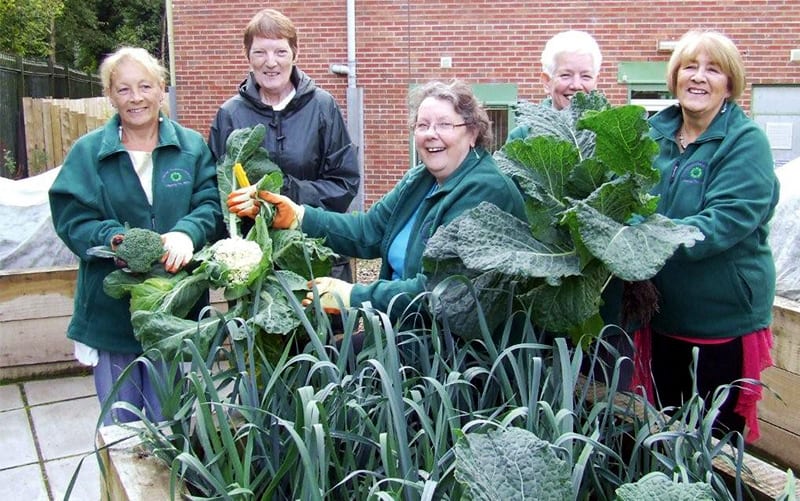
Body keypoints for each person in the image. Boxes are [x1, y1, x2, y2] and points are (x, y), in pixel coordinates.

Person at [228, 79, 527, 331]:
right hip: (403, 334)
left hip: (450, 357)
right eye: (422, 125)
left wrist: (354, 296)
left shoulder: (486, 189)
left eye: (444, 125)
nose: (431, 134)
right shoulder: (421, 179)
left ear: (472, 132)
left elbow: (442, 289)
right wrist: (298, 215)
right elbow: (368, 230)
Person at [49, 47, 222, 424]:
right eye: (123, 89)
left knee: (171, 422)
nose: (136, 97)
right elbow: (71, 216)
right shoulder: (89, 152)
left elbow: (211, 204)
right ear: (110, 96)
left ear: (162, 89)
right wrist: (112, 238)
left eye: (145, 86)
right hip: (111, 313)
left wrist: (187, 233)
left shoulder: (190, 148)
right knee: (120, 428)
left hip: (173, 307)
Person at [632, 30, 779, 442]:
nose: (699, 77)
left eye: (713, 69)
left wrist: (645, 237)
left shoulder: (745, 142)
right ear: (674, 76)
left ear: (730, 83)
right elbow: (626, 197)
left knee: (714, 443)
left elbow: (724, 221)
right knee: (664, 432)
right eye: (689, 67)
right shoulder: (651, 135)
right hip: (660, 317)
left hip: (721, 324)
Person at [208, 8, 360, 284]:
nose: (270, 62)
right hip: (255, 264)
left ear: (294, 54)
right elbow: (216, 191)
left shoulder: (323, 107)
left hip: (316, 254)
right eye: (260, 53)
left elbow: (345, 183)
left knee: (321, 326)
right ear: (248, 57)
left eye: (280, 52)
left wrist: (284, 192)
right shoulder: (229, 114)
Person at [507, 30, 602, 141]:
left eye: (586, 76)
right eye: (566, 75)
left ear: (596, 82)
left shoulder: (611, 132)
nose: (576, 85)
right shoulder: (523, 136)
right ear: (547, 82)